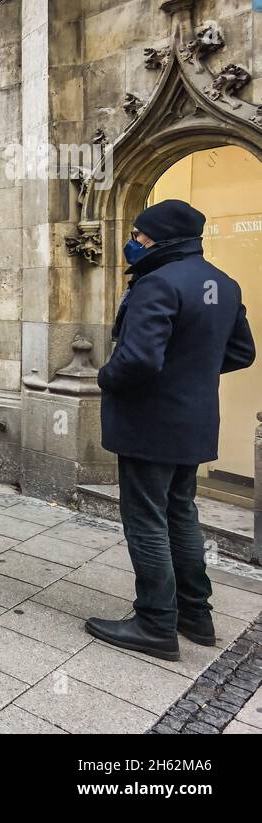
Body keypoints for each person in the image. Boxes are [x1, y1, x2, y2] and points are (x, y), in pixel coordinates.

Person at [87, 199, 255, 661]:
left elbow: (137, 359)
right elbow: (242, 353)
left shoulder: (156, 283)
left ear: (161, 239)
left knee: (146, 518)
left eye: (140, 236)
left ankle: (155, 623)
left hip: (149, 423)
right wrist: (191, 374)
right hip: (193, 422)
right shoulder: (224, 283)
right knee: (181, 512)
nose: (133, 243)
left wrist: (105, 377)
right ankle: (195, 615)